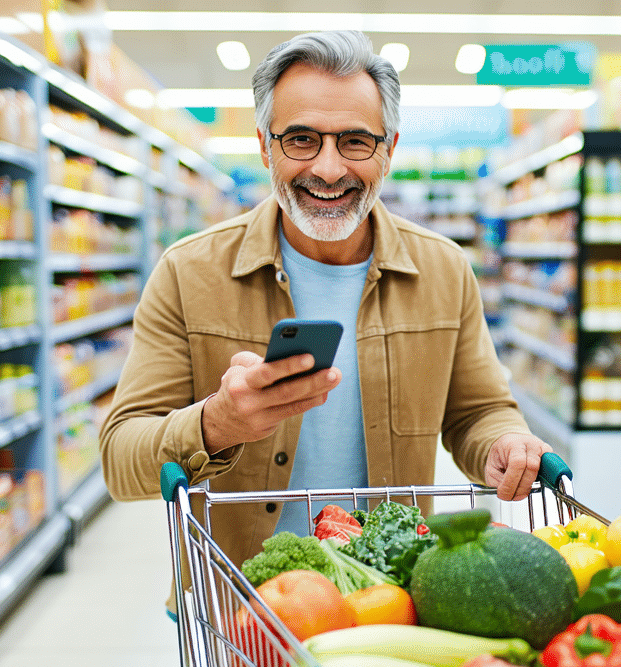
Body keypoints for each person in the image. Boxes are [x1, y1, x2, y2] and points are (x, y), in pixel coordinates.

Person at [99, 30, 550, 566]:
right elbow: (120, 459)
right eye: (301, 140)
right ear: (266, 145)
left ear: (389, 150)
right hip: (242, 607)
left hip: (393, 596)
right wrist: (217, 424)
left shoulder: (443, 269)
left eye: (355, 141)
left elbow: (479, 412)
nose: (330, 169)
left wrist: (505, 444)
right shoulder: (189, 272)